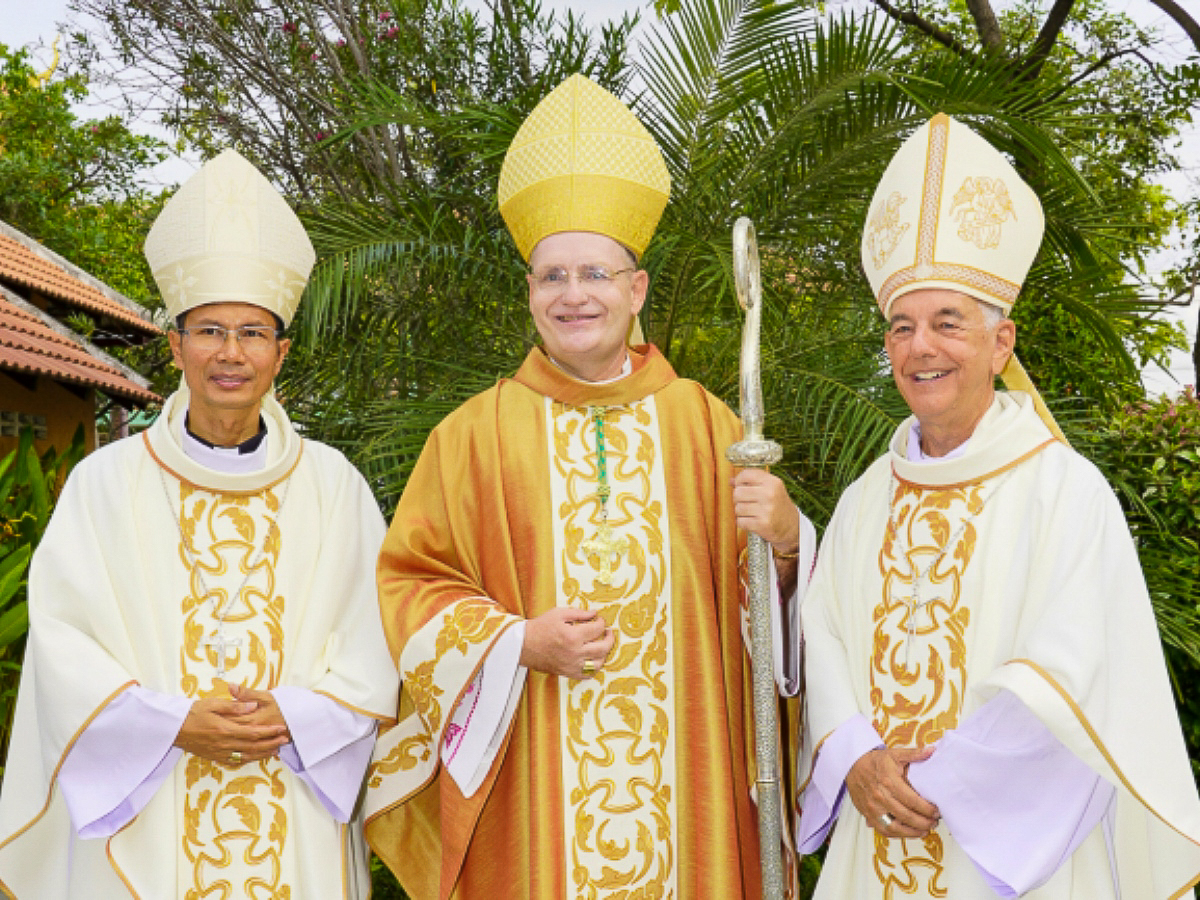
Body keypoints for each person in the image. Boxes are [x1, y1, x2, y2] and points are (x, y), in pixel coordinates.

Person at [363, 73, 816, 899]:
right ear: (530, 294)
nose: (574, 295)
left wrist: (788, 547)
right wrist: (514, 644)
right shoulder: (470, 437)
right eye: (552, 277)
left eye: (597, 275)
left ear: (636, 290)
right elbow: (408, 586)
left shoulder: (711, 429)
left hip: (694, 805)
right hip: (530, 802)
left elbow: (767, 625)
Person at [796, 113, 1200, 898]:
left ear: (1001, 344)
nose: (922, 348)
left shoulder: (1063, 490)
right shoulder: (862, 501)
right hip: (875, 838)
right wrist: (856, 760)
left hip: (1014, 859)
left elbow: (1074, 673)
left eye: (949, 324)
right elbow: (825, 637)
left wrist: (940, 781)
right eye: (902, 328)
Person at [0, 149, 399, 899]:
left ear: (280, 353)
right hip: (151, 804)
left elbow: (377, 642)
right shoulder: (103, 485)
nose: (230, 353)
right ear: (176, 344)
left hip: (291, 795)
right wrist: (172, 724)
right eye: (210, 330)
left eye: (252, 333)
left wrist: (296, 715)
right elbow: (61, 645)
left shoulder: (334, 489)